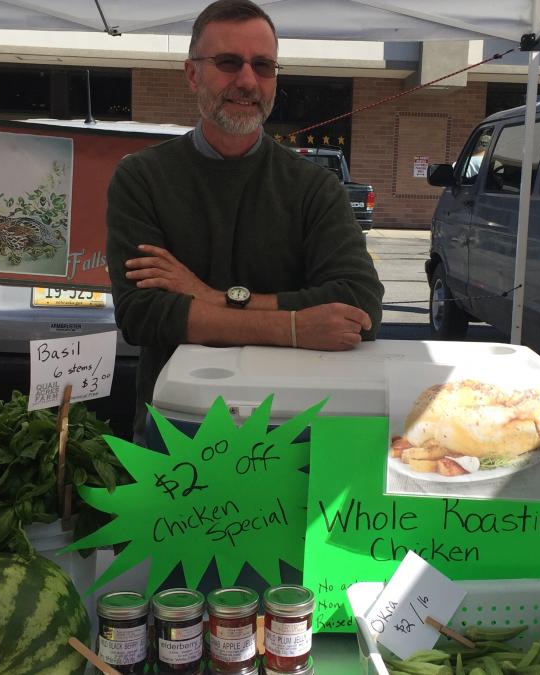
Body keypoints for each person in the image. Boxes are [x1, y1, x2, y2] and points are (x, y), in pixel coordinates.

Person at [106, 0, 384, 438]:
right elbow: (143, 315)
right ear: (192, 73)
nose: (248, 80)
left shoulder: (313, 186)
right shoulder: (142, 178)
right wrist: (297, 326)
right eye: (229, 62)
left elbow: (360, 307)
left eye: (264, 65)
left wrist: (209, 297)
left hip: (296, 431)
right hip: (176, 434)